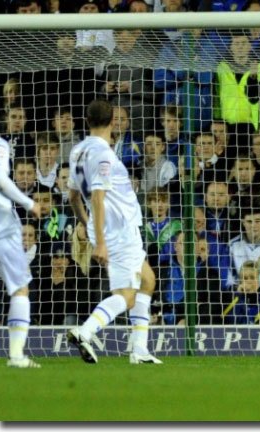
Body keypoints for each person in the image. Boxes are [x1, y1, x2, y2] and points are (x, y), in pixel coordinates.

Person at [66, 99, 162, 364]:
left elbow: (73, 196)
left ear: (86, 122)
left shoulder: (77, 152)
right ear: (112, 123)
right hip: (119, 233)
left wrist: (88, 227)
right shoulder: (104, 155)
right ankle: (85, 331)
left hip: (108, 232)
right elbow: (97, 196)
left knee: (148, 280)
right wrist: (100, 243)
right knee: (127, 296)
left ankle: (139, 351)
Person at [0, 136, 42, 367]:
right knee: (20, 288)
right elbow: (0, 181)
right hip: (2, 230)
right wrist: (28, 203)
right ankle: (16, 356)